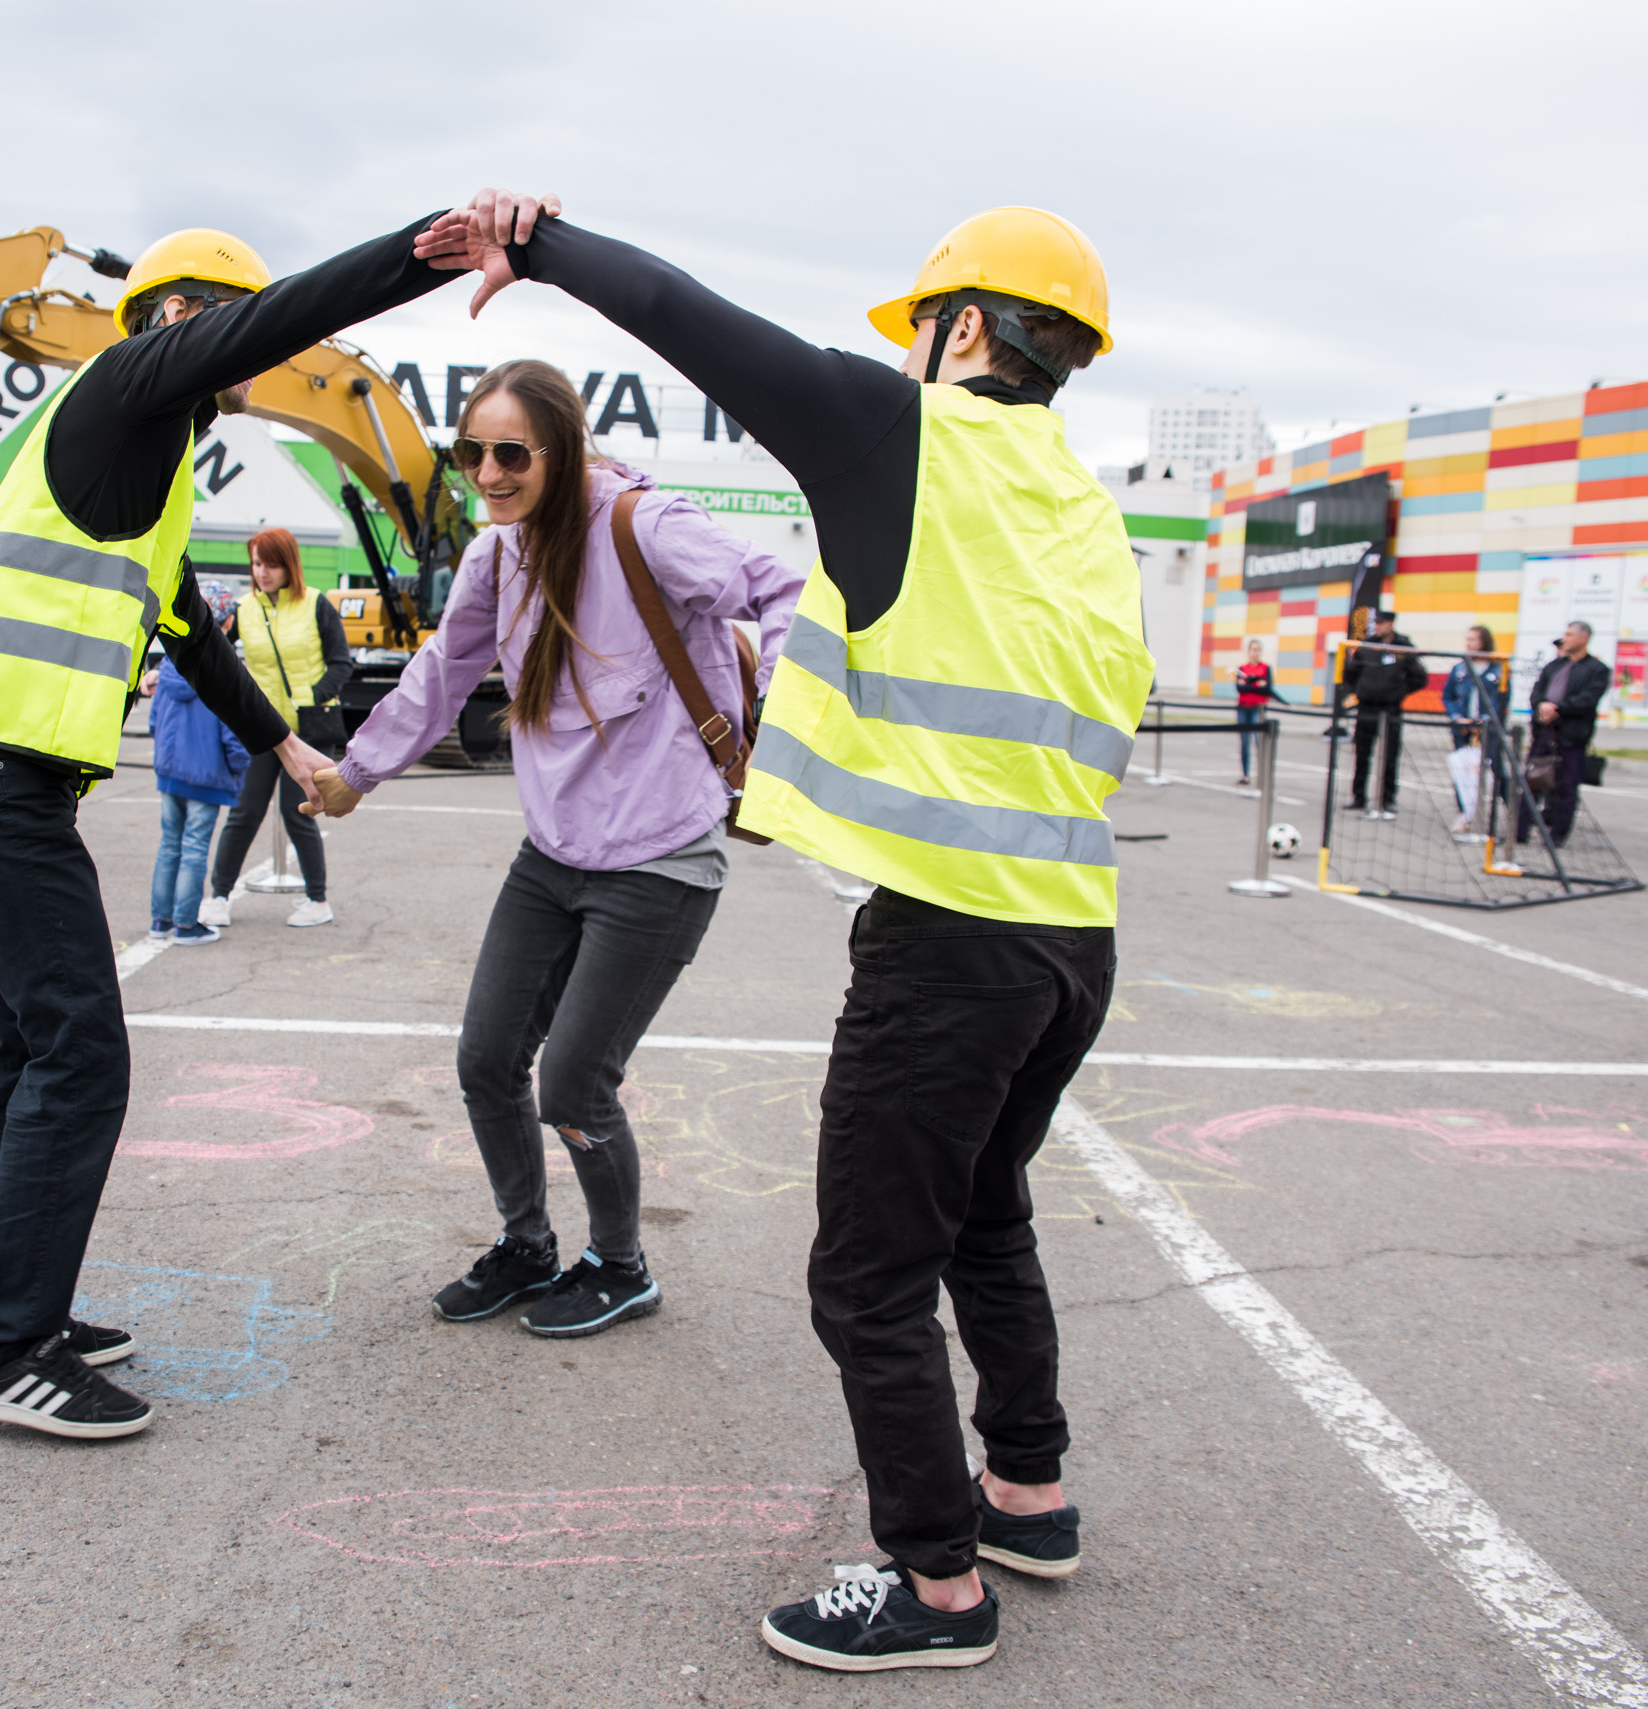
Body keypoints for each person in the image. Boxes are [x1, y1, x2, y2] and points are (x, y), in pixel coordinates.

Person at [419, 193, 1150, 1670]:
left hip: (948, 947)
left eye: (921, 330)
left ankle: (936, 1584)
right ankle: (1029, 1487)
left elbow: (700, 325)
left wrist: (541, 241)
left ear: (958, 328)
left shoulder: (912, 440)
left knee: (868, 1276)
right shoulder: (1081, 506)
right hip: (1072, 940)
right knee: (985, 1215)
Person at [0, 215, 456, 1443]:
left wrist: (291, 745)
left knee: (20, 1046)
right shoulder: (119, 387)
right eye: (225, 329)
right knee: (80, 1052)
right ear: (175, 318)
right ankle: (5, 1348)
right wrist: (423, 253)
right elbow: (273, 318)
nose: (245, 363)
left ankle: (6, 1307)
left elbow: (190, 634)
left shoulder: (140, 468)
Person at [315, 359, 802, 1337]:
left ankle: (620, 1264)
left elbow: (783, 586)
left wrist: (784, 719)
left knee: (573, 1083)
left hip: (659, 858)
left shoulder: (643, 528)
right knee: (485, 1058)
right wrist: (355, 771)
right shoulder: (498, 557)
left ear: (560, 447)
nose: (486, 474)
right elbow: (442, 669)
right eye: (470, 453)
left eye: (509, 453)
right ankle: (526, 1242)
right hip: (552, 853)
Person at [202, 527, 351, 928]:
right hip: (262, 729)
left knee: (297, 811)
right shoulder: (244, 609)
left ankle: (318, 900)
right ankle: (218, 896)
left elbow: (341, 662)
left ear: (289, 565)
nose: (262, 572)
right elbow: (207, 650)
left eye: (271, 564)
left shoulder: (317, 604)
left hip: (310, 729)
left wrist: (312, 696)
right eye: (256, 564)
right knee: (244, 811)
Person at [147, 659, 245, 946]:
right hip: (206, 772)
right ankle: (185, 923)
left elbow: (155, 721)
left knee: (169, 845)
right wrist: (238, 766)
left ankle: (160, 919)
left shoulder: (168, 667)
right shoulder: (221, 669)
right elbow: (233, 731)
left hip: (170, 768)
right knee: (194, 848)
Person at [1517, 619, 1610, 846]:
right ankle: (1518, 832)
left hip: (1571, 737)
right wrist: (1541, 706)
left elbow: (1587, 700)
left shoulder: (1597, 670)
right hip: (1544, 734)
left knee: (1567, 788)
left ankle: (1557, 835)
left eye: (1569, 634)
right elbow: (1537, 692)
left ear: (1583, 638)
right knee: (1532, 781)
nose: (1565, 639)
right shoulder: (1554, 666)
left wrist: (1557, 709)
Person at [1341, 609, 1425, 820]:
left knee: (1389, 755)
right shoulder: (1367, 645)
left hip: (1391, 707)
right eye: (1375, 623)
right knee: (1362, 753)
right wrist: (1361, 689)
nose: (1377, 626)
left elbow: (1419, 677)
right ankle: (1358, 797)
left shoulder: (1403, 647)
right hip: (1367, 706)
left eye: (1381, 622)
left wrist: (1399, 691)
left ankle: (1387, 799)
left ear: (1391, 623)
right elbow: (1350, 673)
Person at [1441, 626, 1503, 831]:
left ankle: (1501, 814)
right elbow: (1448, 696)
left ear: (1484, 642)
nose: (1469, 644)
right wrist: (1457, 717)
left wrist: (1484, 720)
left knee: (1495, 771)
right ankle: (1465, 814)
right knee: (1461, 770)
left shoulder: (1498, 669)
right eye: (1467, 639)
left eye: (1474, 640)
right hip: (1463, 730)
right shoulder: (1460, 668)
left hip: (1488, 730)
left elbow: (1501, 701)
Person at [1231, 636, 1286, 785]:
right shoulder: (1242, 669)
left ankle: (1262, 774)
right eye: (1253, 649)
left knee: (1258, 740)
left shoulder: (1266, 668)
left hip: (1258, 709)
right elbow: (1239, 688)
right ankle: (1245, 775)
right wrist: (1256, 683)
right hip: (1243, 708)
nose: (1255, 652)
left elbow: (1267, 689)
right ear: (1248, 651)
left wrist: (1249, 682)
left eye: (1258, 650)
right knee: (1244, 742)